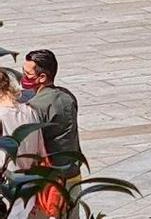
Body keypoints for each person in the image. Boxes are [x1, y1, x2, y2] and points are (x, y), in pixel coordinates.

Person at [23, 50, 83, 206]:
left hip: (50, 182)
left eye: (27, 73)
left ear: (42, 77)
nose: (24, 77)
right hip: (72, 173)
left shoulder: (35, 107)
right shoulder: (67, 96)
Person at [0, 68, 45, 219]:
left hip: (6, 189)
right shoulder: (30, 111)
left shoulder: (1, 115)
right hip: (28, 187)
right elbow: (41, 152)